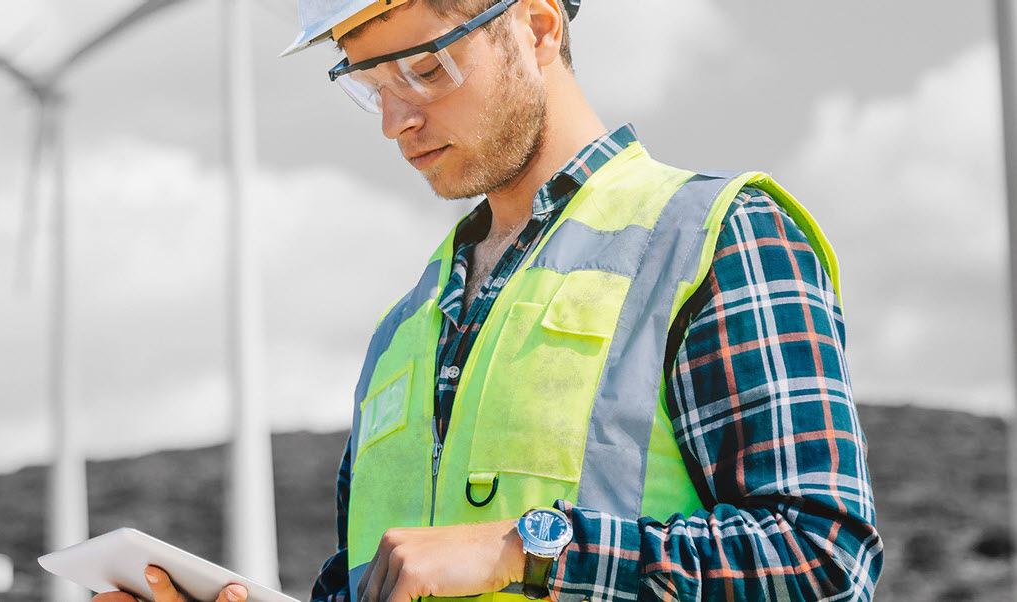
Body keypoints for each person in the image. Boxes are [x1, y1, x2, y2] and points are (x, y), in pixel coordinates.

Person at [112, 0, 883, 601]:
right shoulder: (405, 326)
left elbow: (823, 561)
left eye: (423, 69)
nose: (395, 121)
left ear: (538, 26)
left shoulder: (716, 237)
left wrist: (523, 550)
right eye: (371, 85)